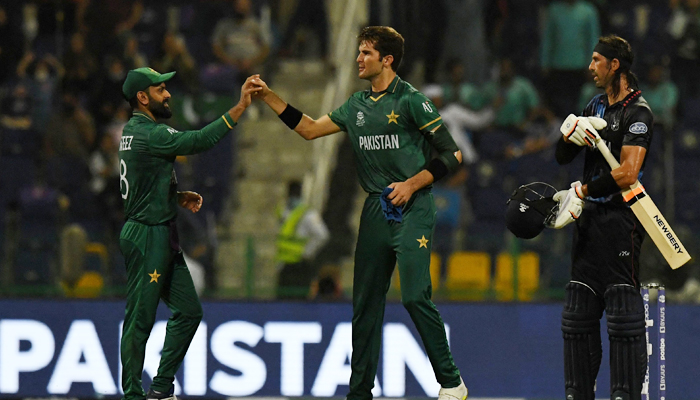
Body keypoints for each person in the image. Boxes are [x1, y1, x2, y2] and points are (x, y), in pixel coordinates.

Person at [251, 26, 468, 400]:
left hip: (413, 206)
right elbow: (309, 130)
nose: (358, 59)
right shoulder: (355, 105)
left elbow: (453, 155)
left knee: (415, 297)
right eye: (358, 52)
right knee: (365, 304)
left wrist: (411, 184)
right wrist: (270, 97)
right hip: (374, 209)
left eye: (365, 53)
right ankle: (359, 393)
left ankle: (452, 383)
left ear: (386, 60)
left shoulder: (412, 101)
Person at [118, 67, 258, 400]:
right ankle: (133, 394)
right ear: (142, 97)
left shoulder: (134, 131)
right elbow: (197, 141)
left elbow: (140, 179)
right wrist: (238, 108)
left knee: (189, 312)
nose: (167, 94)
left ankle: (162, 387)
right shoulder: (152, 133)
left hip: (160, 231)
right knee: (140, 317)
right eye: (160, 89)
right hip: (147, 235)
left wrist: (174, 196)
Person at [555, 35, 653, 400]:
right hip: (588, 222)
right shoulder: (593, 105)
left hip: (620, 221)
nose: (591, 66)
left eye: (597, 60)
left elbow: (628, 173)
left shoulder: (638, 112)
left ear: (616, 66)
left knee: (623, 317)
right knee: (578, 317)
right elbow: (562, 158)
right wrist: (568, 136)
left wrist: (583, 189)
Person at [275, 180, 329, 299]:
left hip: (300, 265)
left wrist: (307, 252)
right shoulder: (283, 211)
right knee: (283, 299)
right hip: (284, 265)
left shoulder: (307, 214)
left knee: (298, 299)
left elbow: (322, 235)